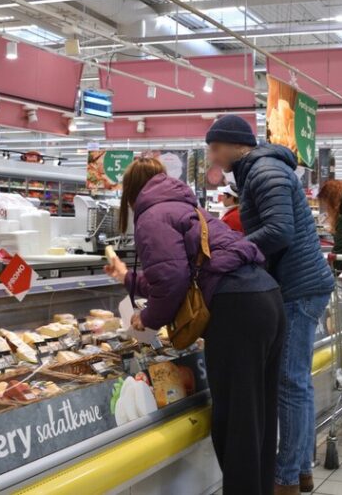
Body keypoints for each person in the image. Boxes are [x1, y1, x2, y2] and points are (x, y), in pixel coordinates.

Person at [104, 158, 284, 495]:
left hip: (237, 312)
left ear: (130, 193)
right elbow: (177, 273)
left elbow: (172, 280)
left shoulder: (151, 216)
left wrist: (148, 318)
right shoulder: (186, 206)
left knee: (236, 423)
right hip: (267, 298)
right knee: (259, 414)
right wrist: (127, 278)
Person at [206, 115, 334, 495]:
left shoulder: (263, 171)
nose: (212, 156)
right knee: (298, 383)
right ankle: (300, 469)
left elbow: (280, 230)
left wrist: (235, 252)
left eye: (215, 147)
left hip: (298, 286)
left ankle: (286, 479)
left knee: (289, 383)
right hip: (302, 284)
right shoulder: (261, 170)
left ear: (234, 144)